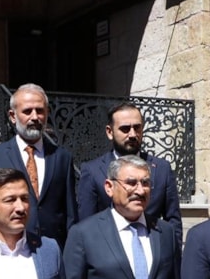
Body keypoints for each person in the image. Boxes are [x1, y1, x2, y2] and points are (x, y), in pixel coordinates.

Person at [77, 102, 182, 245]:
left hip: (153, 250)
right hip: (110, 251)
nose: (132, 134)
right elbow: (87, 224)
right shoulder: (92, 171)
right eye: (125, 129)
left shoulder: (162, 169)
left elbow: (173, 221)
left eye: (137, 128)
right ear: (110, 132)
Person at [0, 83, 77, 247]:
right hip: (10, 247)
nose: (35, 117)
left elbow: (70, 213)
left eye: (40, 111)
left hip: (54, 248)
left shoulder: (62, 158)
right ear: (13, 116)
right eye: (27, 111)